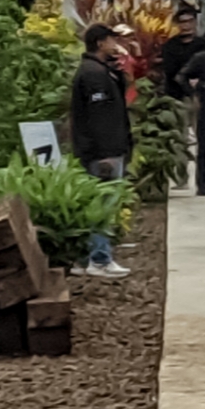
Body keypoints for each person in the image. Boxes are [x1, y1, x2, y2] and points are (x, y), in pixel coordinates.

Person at [67, 22, 134, 277]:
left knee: (96, 203)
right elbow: (100, 117)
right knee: (103, 205)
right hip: (103, 152)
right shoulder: (94, 75)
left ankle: (86, 259)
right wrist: (106, 153)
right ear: (99, 43)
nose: (114, 44)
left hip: (101, 148)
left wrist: (117, 76)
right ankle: (100, 258)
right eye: (110, 40)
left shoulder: (99, 71)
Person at [161, 7, 205, 196]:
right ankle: (181, 178)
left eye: (190, 21)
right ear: (177, 25)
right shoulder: (170, 46)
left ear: (195, 23)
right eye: (182, 22)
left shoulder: (202, 45)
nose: (186, 26)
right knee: (180, 139)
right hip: (178, 97)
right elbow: (172, 71)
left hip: (202, 99)